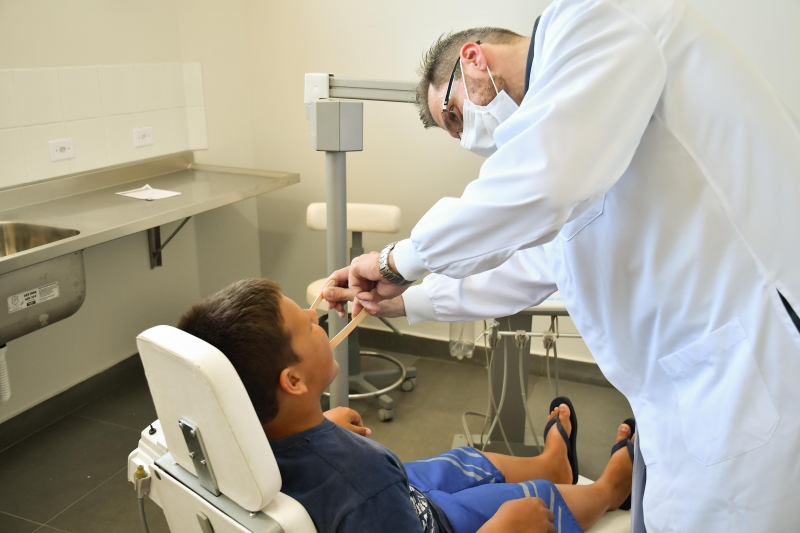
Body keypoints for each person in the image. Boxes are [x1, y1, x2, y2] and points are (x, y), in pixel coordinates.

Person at [324, 0, 800, 531]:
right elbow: (529, 266)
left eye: (456, 116)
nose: (466, 138)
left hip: (750, 363)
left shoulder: (598, 24)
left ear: (475, 59)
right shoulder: (570, 132)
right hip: (687, 379)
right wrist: (404, 298)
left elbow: (542, 188)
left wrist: (395, 261)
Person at [177, 278, 634, 533]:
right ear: (293, 381)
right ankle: (608, 491)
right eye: (309, 324)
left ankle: (552, 463)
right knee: (536, 504)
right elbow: (370, 493)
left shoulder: (238, 435)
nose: (319, 320)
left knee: (462, 461)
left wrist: (322, 426)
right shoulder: (365, 487)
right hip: (414, 519)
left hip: (393, 494)